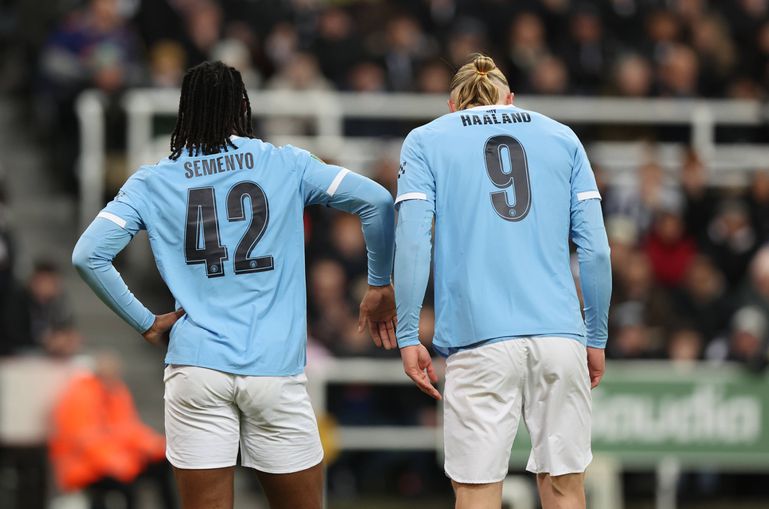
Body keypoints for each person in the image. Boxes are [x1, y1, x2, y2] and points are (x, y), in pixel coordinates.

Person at [72, 61, 397, 509]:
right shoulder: (284, 162)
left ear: (186, 111)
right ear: (243, 106)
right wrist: (379, 284)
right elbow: (377, 200)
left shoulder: (152, 181)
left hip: (197, 368)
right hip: (274, 369)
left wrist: (145, 321)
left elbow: (88, 255)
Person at [393, 54, 611, 509]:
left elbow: (413, 242)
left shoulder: (427, 140)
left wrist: (408, 333)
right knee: (565, 487)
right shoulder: (562, 137)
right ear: (511, 99)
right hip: (559, 335)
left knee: (477, 492)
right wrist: (596, 336)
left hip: (479, 338)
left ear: (453, 105)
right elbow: (595, 251)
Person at [49, 352, 174, 509]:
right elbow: (85, 441)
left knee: (161, 465)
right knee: (128, 484)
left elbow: (129, 428)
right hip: (84, 466)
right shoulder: (81, 396)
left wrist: (155, 446)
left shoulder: (116, 391)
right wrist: (117, 462)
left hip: (115, 458)